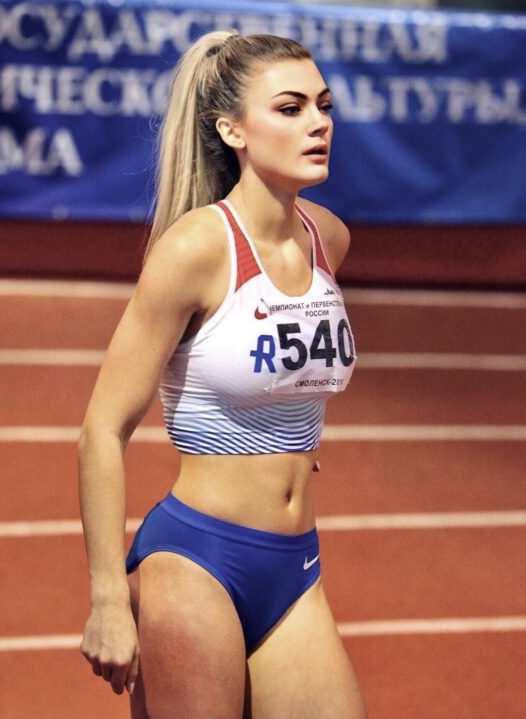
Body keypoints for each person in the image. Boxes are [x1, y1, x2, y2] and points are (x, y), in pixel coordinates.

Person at [78, 29, 368, 719]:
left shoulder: (327, 238)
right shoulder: (196, 248)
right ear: (231, 129)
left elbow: (283, 367)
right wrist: (108, 598)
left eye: (324, 105)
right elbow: (101, 430)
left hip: (295, 563)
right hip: (196, 557)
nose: (319, 123)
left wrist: (279, 432)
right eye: (291, 108)